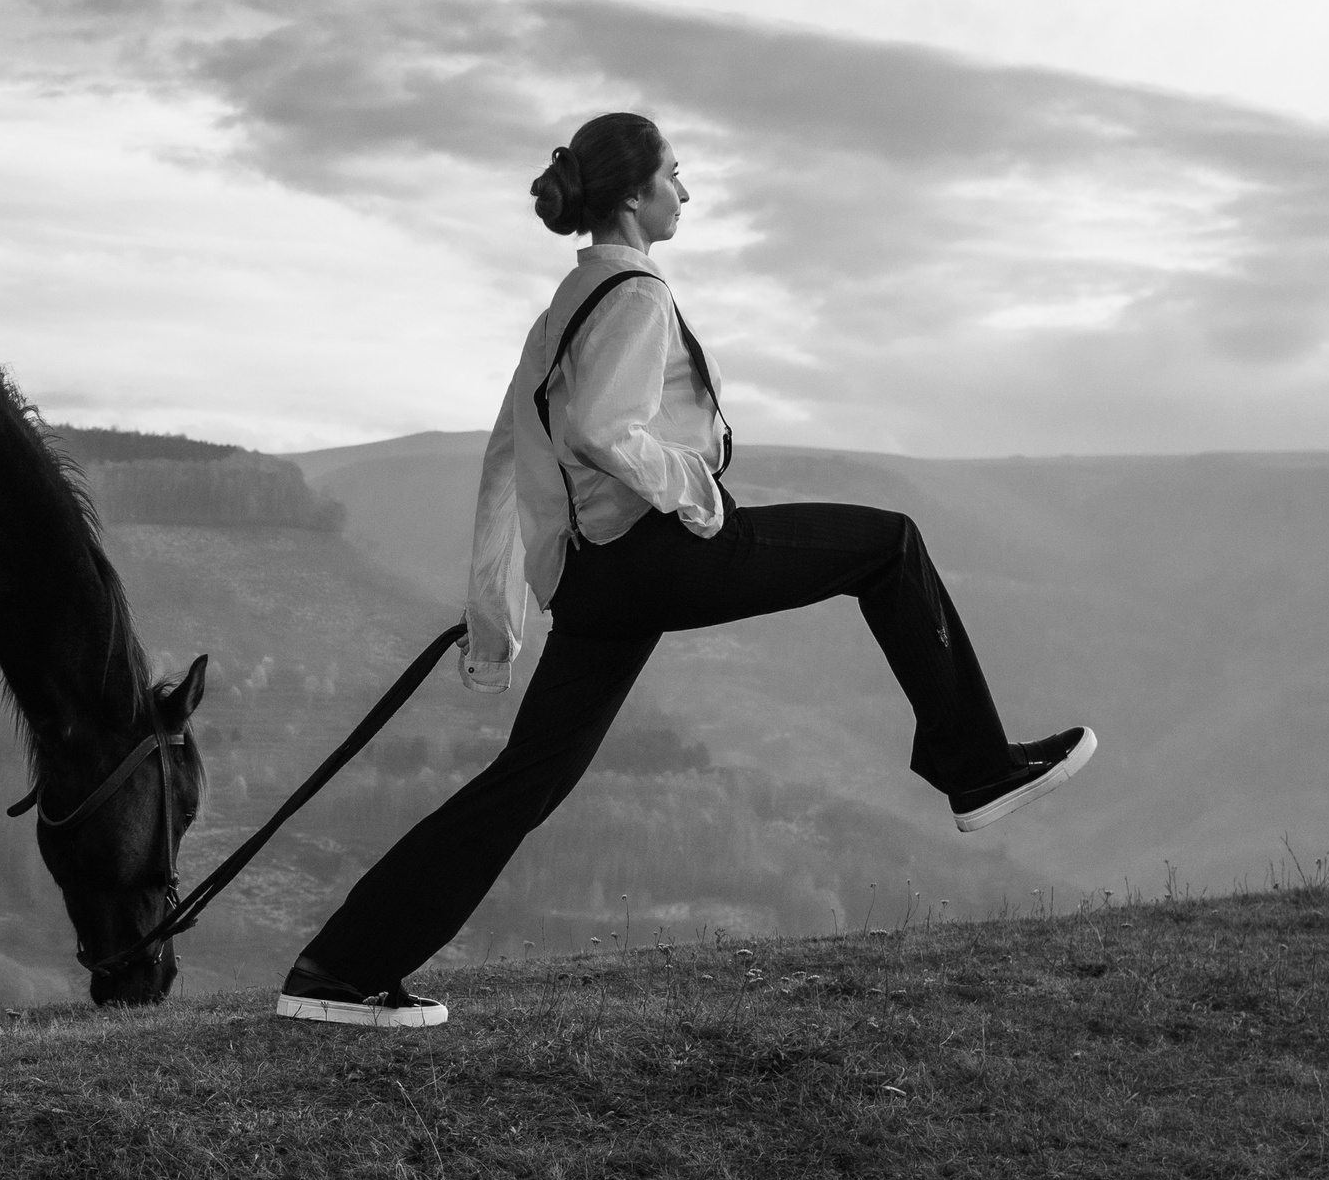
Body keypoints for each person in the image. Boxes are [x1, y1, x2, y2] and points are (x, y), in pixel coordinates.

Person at [275, 112, 1094, 1028]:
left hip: (592, 580)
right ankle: (975, 766)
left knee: (525, 782)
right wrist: (695, 494)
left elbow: (510, 458)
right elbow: (598, 431)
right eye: (675, 174)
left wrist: (500, 609)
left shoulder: (561, 310)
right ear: (634, 193)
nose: (687, 191)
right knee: (889, 543)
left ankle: (338, 971)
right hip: (648, 557)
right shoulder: (633, 296)